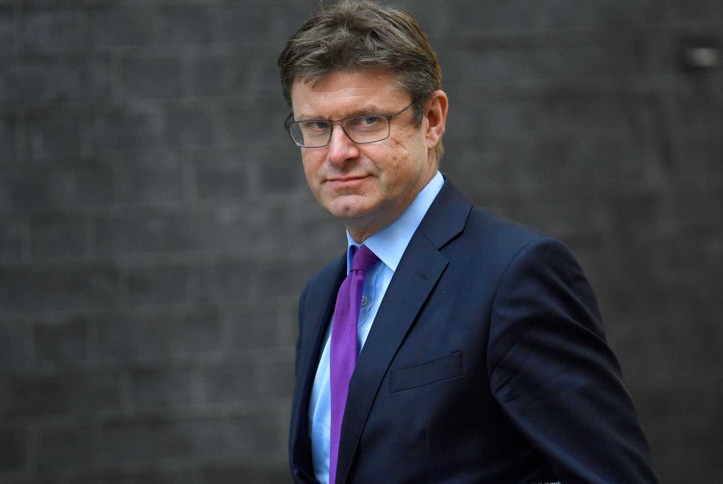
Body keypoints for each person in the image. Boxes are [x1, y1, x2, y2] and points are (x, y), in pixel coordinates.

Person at [278, 1, 658, 482]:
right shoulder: (321, 296)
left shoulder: (515, 276)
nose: (338, 153)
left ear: (432, 119)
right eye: (317, 126)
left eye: (368, 121)